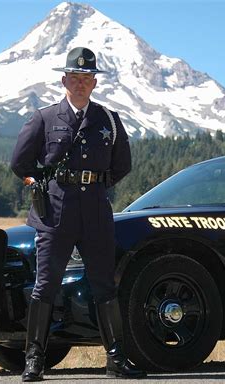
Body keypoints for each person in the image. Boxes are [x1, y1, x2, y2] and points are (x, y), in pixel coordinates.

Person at [10, 47, 146, 382]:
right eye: (75, 77)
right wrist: (40, 184)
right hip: (55, 213)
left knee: (104, 285)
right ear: (64, 80)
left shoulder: (109, 120)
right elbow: (20, 164)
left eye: (87, 78)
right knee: (46, 285)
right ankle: (34, 361)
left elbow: (122, 165)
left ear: (94, 82)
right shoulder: (44, 118)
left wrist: (95, 183)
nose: (81, 83)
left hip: (96, 213)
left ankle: (116, 359)